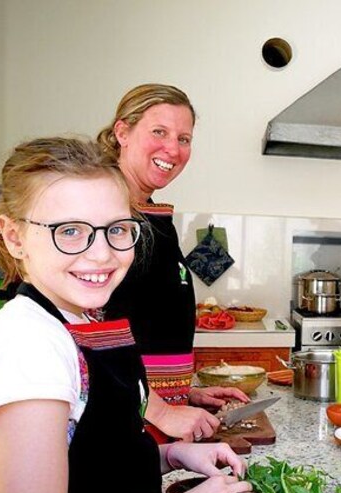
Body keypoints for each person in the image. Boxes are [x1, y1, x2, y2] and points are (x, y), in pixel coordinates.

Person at [0, 137, 258, 493]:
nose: (102, 254)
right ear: (14, 237)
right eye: (70, 231)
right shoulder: (28, 349)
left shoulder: (80, 321)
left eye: (117, 229)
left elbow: (93, 464)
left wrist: (171, 455)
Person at [97, 84, 248, 443]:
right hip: (119, 425)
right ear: (123, 132)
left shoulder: (152, 217)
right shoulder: (108, 217)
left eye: (184, 138)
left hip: (153, 420)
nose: (173, 149)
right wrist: (163, 410)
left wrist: (185, 394)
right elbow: (86, 340)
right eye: (159, 132)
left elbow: (143, 323)